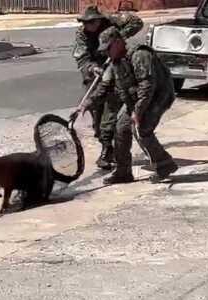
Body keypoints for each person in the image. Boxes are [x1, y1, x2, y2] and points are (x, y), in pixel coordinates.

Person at [79, 26, 178, 185]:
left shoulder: (140, 55)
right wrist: (87, 103)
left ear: (118, 42)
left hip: (157, 96)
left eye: (109, 47)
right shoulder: (114, 62)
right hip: (136, 98)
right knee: (121, 129)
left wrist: (137, 113)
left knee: (141, 129)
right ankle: (123, 172)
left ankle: (164, 165)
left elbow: (147, 86)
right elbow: (105, 86)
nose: (107, 52)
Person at [72, 6, 143, 170]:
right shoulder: (81, 34)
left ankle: (107, 152)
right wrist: (92, 68)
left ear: (99, 19)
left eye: (91, 21)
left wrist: (117, 39)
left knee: (110, 111)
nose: (87, 25)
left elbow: (137, 22)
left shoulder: (110, 22)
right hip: (95, 72)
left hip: (115, 67)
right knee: (96, 113)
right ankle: (106, 145)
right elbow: (81, 57)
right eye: (84, 22)